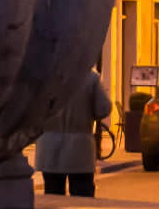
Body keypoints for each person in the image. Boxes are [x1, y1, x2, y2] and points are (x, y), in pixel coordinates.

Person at [36, 67, 111, 197]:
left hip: (49, 147)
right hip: (80, 148)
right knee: (82, 195)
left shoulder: (45, 77)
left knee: (53, 195)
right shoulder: (90, 78)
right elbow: (103, 109)